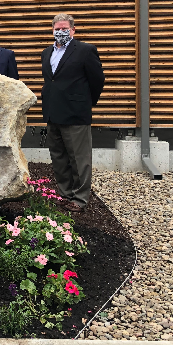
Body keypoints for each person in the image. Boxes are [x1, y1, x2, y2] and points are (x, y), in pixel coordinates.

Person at [40, 13, 105, 213]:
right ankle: (65, 194)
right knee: (59, 157)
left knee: (79, 159)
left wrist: (85, 103)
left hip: (76, 114)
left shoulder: (85, 50)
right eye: (57, 29)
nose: (60, 32)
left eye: (64, 29)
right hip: (53, 113)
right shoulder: (46, 52)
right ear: (52, 30)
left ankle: (79, 198)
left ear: (73, 30)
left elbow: (97, 80)